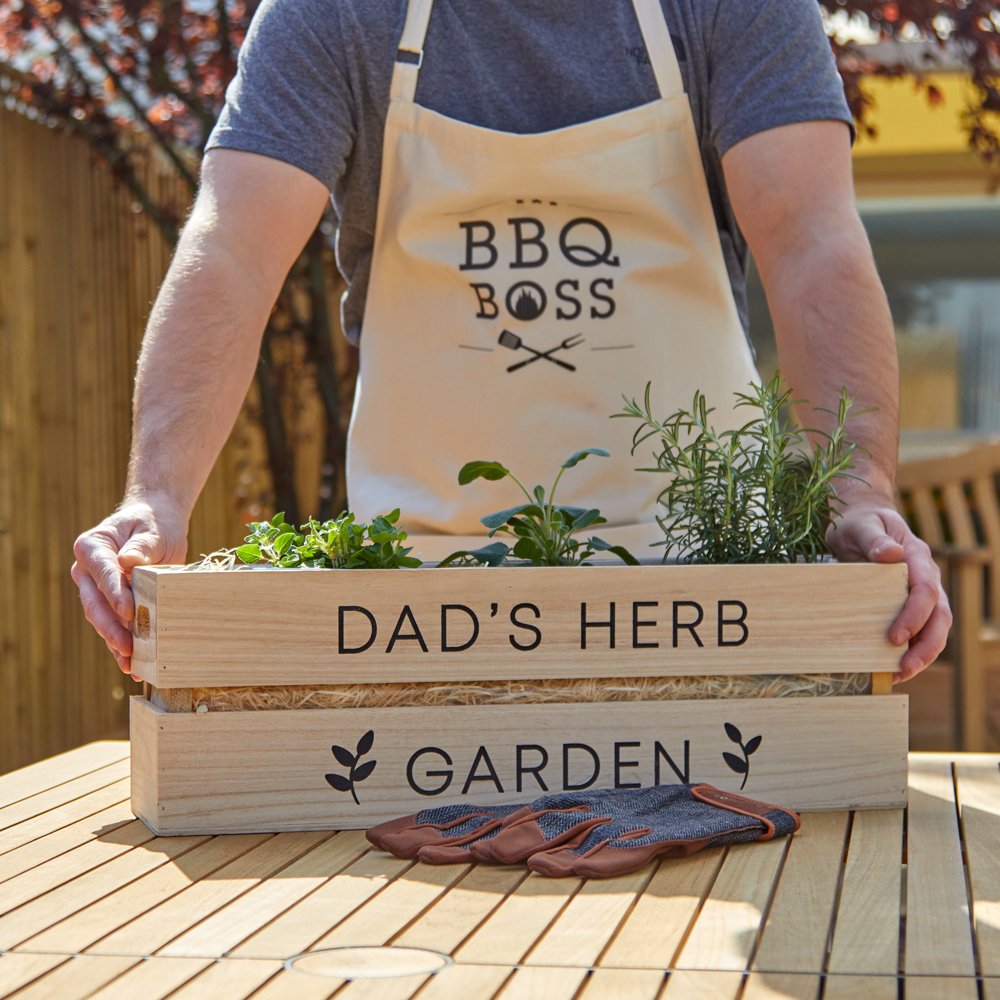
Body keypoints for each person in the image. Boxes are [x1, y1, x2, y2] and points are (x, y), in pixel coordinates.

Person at [71, 0, 950, 681]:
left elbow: (811, 244)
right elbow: (231, 249)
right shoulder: (336, 15)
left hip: (705, 594)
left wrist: (859, 492)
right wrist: (158, 497)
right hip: (415, 609)